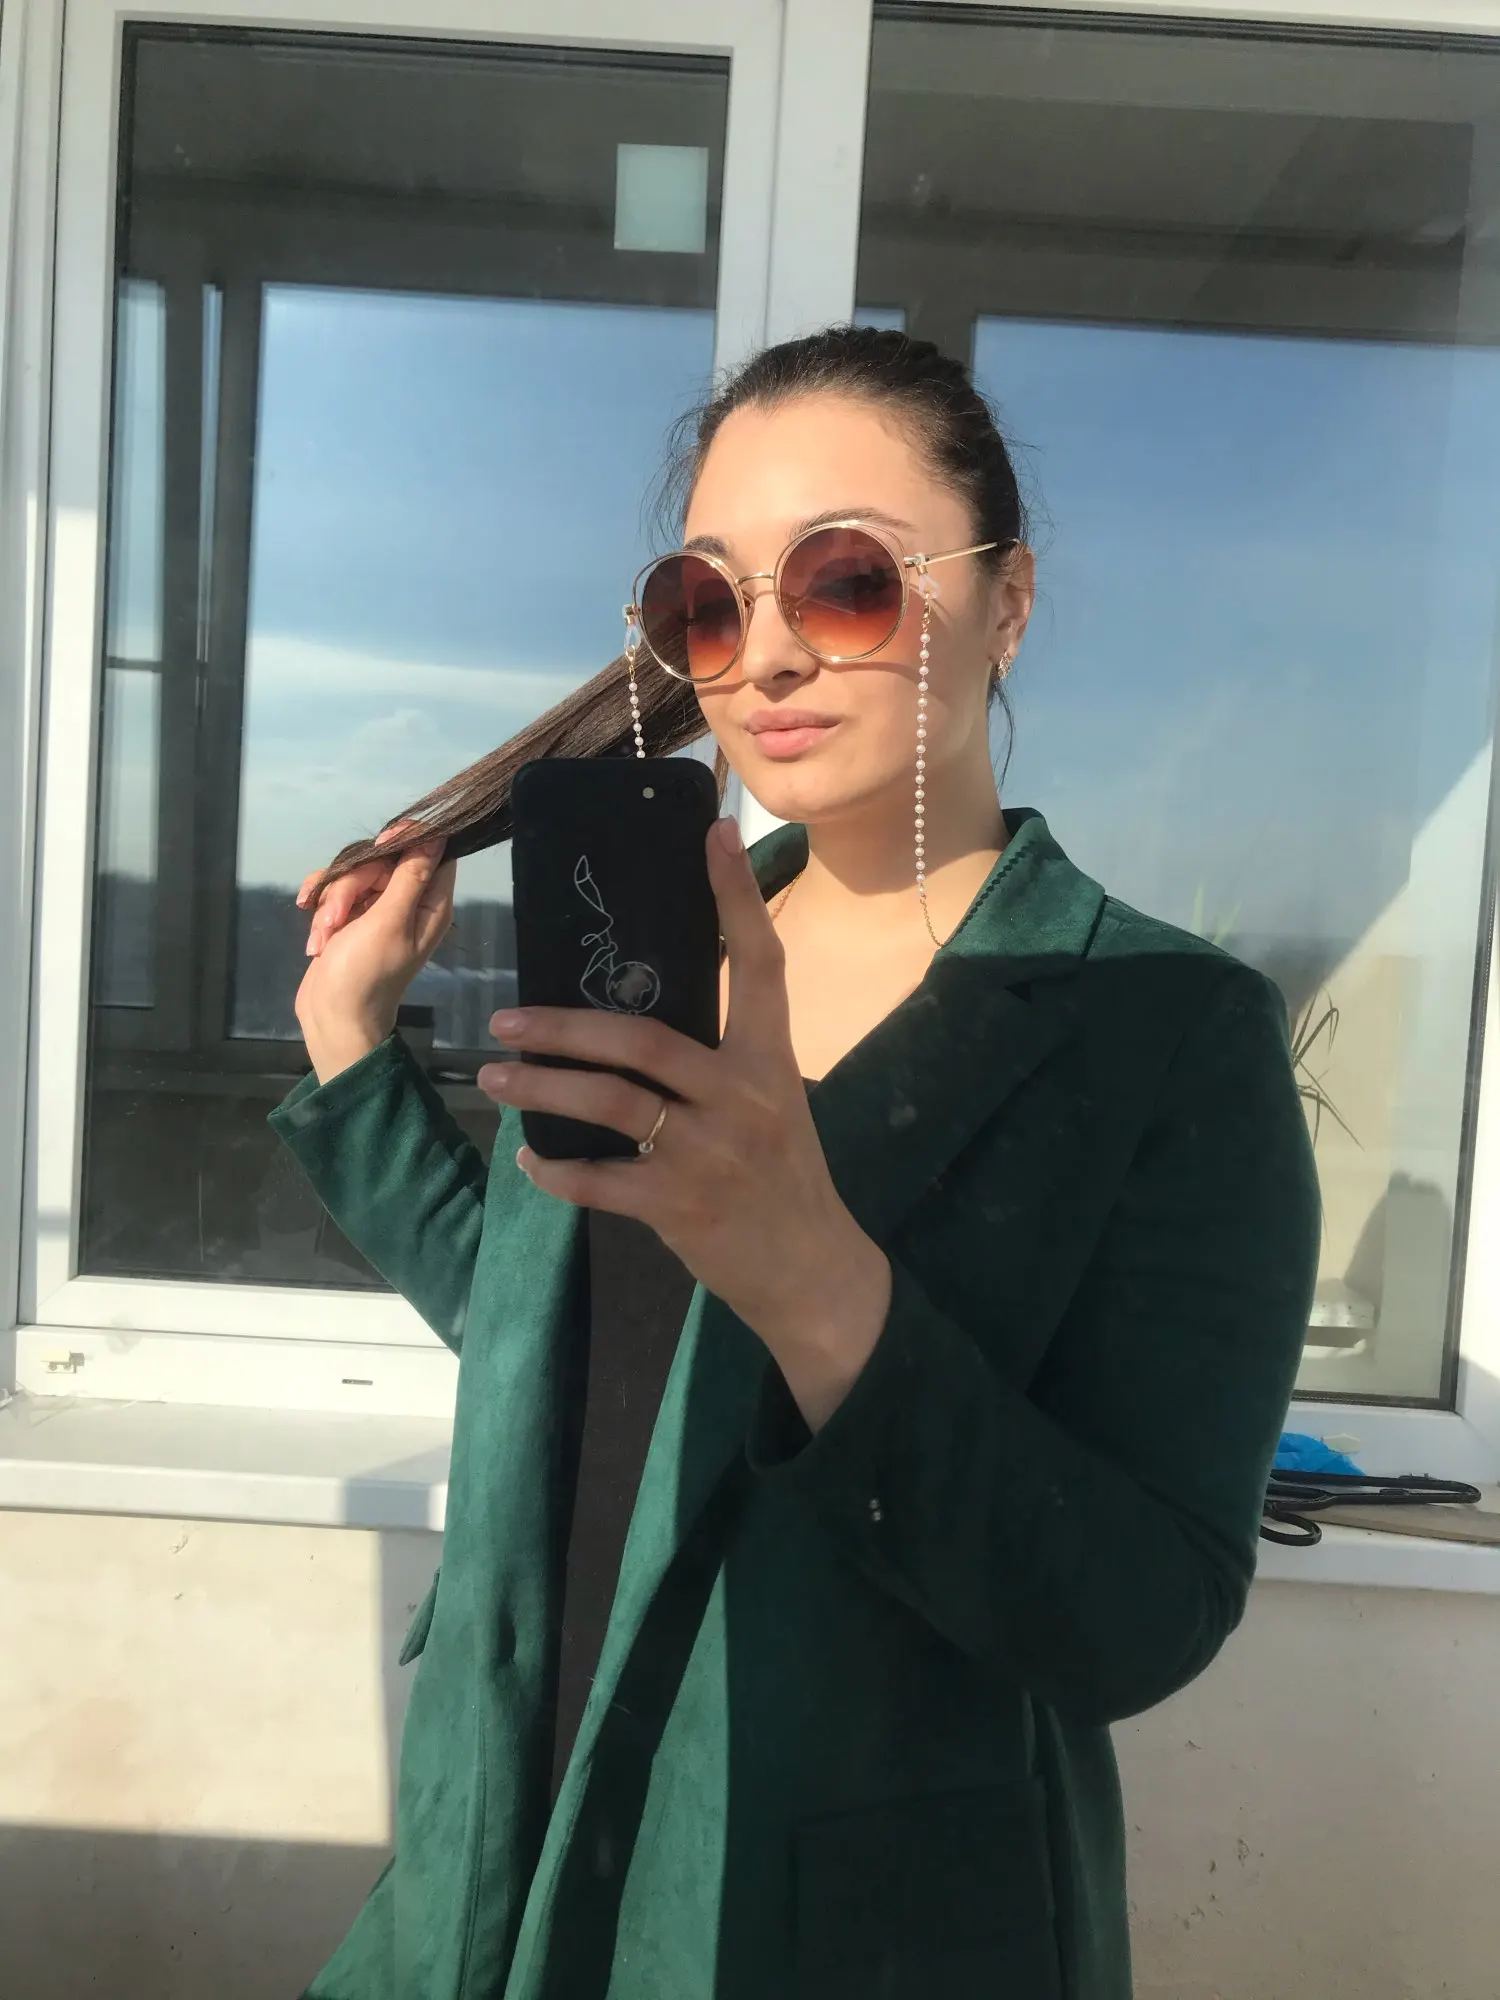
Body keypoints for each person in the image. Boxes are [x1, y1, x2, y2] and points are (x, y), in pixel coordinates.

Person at [274, 325, 1319, 2000]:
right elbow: (568, 1356)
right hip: (503, 1849)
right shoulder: (647, 956)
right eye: (710, 600)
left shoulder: (1155, 1029)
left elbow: (1140, 1616)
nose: (764, 654)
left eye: (846, 582)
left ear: (1008, 602)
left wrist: (817, 1281)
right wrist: (351, 1055)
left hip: (830, 1916)